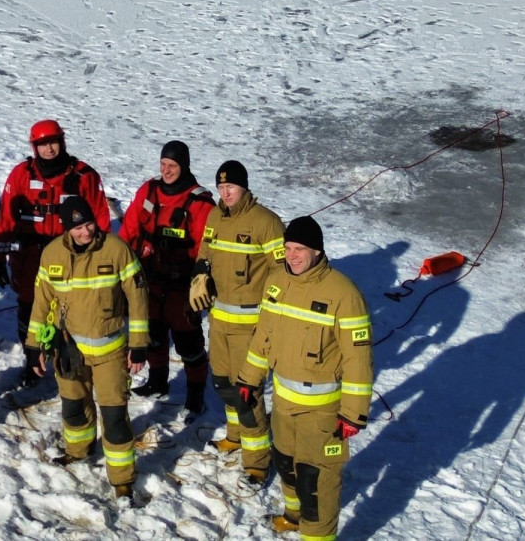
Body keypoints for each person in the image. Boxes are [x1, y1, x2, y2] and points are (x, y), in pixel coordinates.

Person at [235, 216, 373, 539]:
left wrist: (353, 412)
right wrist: (248, 378)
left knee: (315, 483)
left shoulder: (344, 294)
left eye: (299, 249)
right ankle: (293, 516)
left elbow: (358, 359)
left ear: (316, 251)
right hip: (284, 403)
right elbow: (263, 338)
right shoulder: (276, 283)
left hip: (322, 411)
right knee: (285, 463)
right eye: (287, 249)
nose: (292, 256)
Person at [26, 197, 150, 501]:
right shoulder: (51, 254)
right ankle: (78, 452)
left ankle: (122, 479)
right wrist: (33, 346)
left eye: (89, 224)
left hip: (110, 351)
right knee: (73, 407)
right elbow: (41, 302)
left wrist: (139, 344)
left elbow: (138, 298)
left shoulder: (117, 250)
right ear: (68, 228)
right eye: (78, 227)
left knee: (114, 417)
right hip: (69, 349)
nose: (86, 231)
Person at [0, 119, 111, 388]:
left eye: (53, 142)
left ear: (62, 142)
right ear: (34, 147)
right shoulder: (21, 174)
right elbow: (6, 218)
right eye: (42, 144)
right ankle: (32, 361)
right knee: (29, 308)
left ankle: (69, 363)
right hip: (29, 257)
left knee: (72, 310)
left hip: (72, 257)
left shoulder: (84, 176)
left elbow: (101, 219)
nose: (49, 149)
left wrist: (101, 259)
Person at [189, 160, 285, 484]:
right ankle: (235, 434)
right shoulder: (216, 216)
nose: (226, 193)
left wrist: (272, 315)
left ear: (244, 187)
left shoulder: (267, 222)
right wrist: (199, 273)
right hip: (218, 320)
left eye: (231, 187)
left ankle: (257, 460)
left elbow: (282, 271)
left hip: (250, 326)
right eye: (221, 187)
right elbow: (205, 249)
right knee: (224, 384)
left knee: (247, 392)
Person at [118, 141, 215, 416]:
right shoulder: (149, 190)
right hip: (149, 278)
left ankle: (195, 393)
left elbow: (204, 246)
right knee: (154, 335)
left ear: (184, 166)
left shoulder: (199, 201)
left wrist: (200, 277)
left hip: (181, 284)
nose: (166, 170)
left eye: (172, 166)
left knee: (188, 342)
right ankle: (158, 382)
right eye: (163, 165)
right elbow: (129, 228)